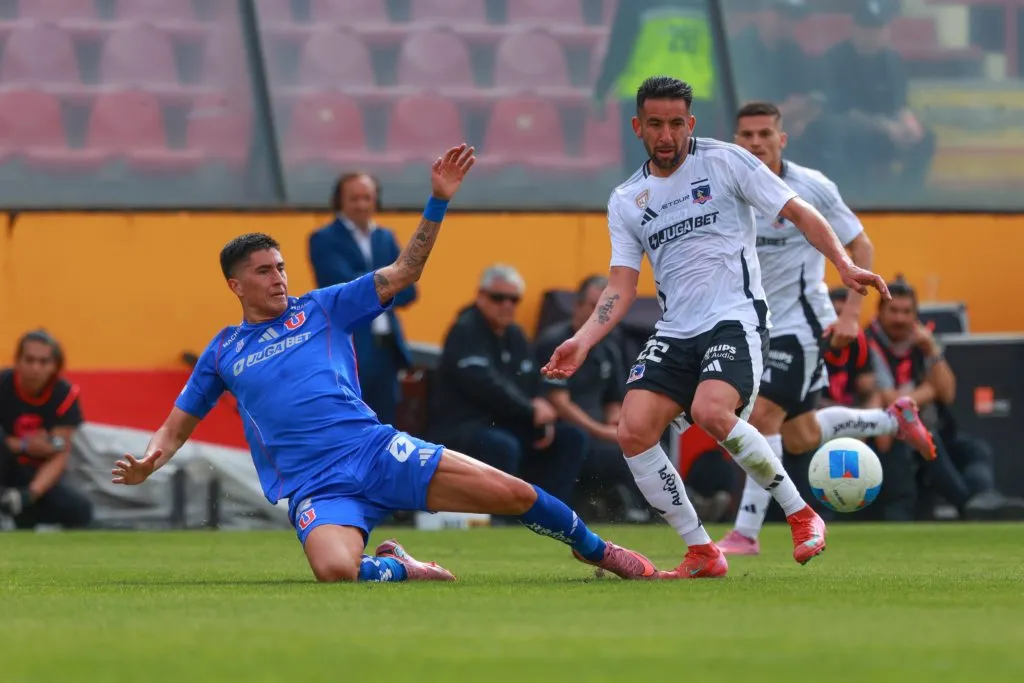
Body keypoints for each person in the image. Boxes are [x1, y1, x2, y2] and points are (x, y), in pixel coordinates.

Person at [111, 145, 668, 583]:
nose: (278, 277)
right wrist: (149, 461)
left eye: (280, 267)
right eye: (263, 271)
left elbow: (404, 272)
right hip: (317, 487)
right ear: (236, 284)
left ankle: (602, 552)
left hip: (375, 452)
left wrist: (439, 201)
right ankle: (399, 566)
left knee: (515, 495)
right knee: (334, 571)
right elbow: (178, 422)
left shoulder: (322, 308)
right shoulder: (224, 349)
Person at [541, 76, 891, 578]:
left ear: (691, 124)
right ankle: (702, 550)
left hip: (736, 317)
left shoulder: (727, 161)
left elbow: (798, 210)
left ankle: (800, 513)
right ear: (638, 126)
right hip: (675, 329)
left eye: (676, 123)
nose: (667, 135)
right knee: (633, 430)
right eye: (656, 124)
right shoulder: (627, 198)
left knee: (712, 410)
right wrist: (583, 338)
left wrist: (843, 264)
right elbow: (621, 282)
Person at [716, 101, 936, 555]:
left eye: (764, 134)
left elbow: (860, 243)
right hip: (751, 326)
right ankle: (890, 419)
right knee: (800, 436)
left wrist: (852, 314)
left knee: (760, 420)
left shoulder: (810, 187)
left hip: (801, 323)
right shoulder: (726, 188)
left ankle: (746, 533)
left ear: (782, 139)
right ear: (735, 141)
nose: (755, 143)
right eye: (746, 135)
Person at [533, 275, 649, 523]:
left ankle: (659, 508)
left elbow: (614, 400)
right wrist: (602, 431)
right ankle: (644, 511)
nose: (600, 315)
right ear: (577, 305)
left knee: (644, 441)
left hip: (601, 433)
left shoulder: (608, 345)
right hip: (567, 430)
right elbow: (559, 402)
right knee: (582, 441)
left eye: (604, 309)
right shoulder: (557, 341)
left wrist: (616, 424)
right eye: (593, 307)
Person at [308, 172, 416, 426]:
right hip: (351, 347)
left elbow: (409, 290)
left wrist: (369, 286)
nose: (361, 204)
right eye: (354, 198)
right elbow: (339, 288)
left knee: (386, 426)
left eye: (367, 197)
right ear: (340, 201)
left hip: (386, 349)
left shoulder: (385, 237)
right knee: (352, 422)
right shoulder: (324, 239)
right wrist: (389, 282)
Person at [0, 330, 93, 529]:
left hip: (35, 476)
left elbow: (60, 450)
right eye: (29, 360)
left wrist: (29, 494)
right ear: (18, 360)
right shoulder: (2, 384)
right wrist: (25, 444)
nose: (35, 368)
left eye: (43, 362)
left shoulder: (64, 394)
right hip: (4, 467)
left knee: (79, 509)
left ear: (54, 366)